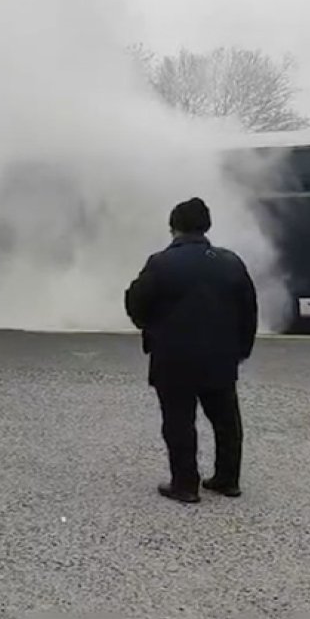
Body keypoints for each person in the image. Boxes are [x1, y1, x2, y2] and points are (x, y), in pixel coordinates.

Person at [124, 197, 259, 504]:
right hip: (220, 357)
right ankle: (228, 480)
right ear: (206, 226)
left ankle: (185, 484)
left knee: (179, 421)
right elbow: (249, 311)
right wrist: (241, 349)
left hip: (173, 358)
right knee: (226, 421)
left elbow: (136, 303)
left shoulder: (160, 263)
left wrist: (151, 328)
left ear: (174, 227)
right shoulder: (231, 262)